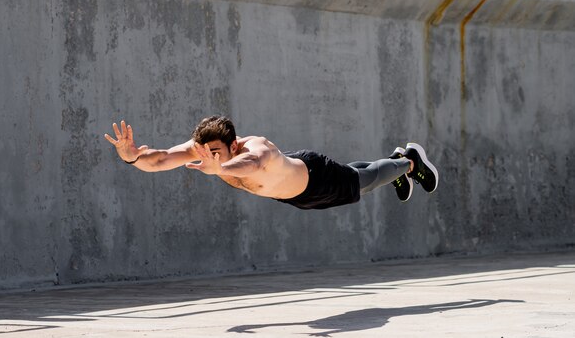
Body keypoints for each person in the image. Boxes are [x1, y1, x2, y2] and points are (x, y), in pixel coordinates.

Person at [104, 116, 438, 210]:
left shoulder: (255, 148)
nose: (211, 157)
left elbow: (249, 166)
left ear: (233, 144)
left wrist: (220, 168)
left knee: (363, 183)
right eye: (208, 152)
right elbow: (161, 159)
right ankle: (395, 162)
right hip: (295, 196)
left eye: (218, 152)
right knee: (354, 174)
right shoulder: (205, 151)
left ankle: (408, 162)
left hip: (315, 177)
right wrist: (131, 156)